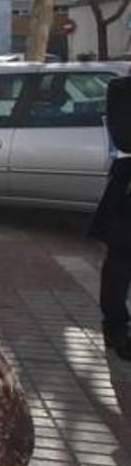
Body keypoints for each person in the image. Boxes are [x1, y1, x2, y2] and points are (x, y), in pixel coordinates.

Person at [89, 74, 131, 361]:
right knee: (120, 261)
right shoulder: (121, 89)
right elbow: (124, 136)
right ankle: (116, 327)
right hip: (126, 194)